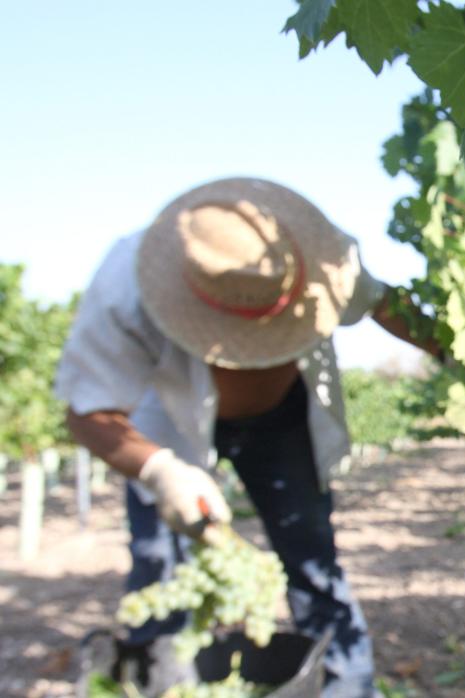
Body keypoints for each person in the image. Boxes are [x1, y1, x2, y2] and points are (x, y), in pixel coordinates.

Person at [56, 177, 433, 698]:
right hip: (165, 429)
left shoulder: (325, 261)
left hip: (283, 423)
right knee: (158, 566)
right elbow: (85, 412)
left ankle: (349, 687)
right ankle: (165, 683)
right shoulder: (125, 284)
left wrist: (464, 355)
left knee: (313, 562)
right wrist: (159, 470)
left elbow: (386, 306)